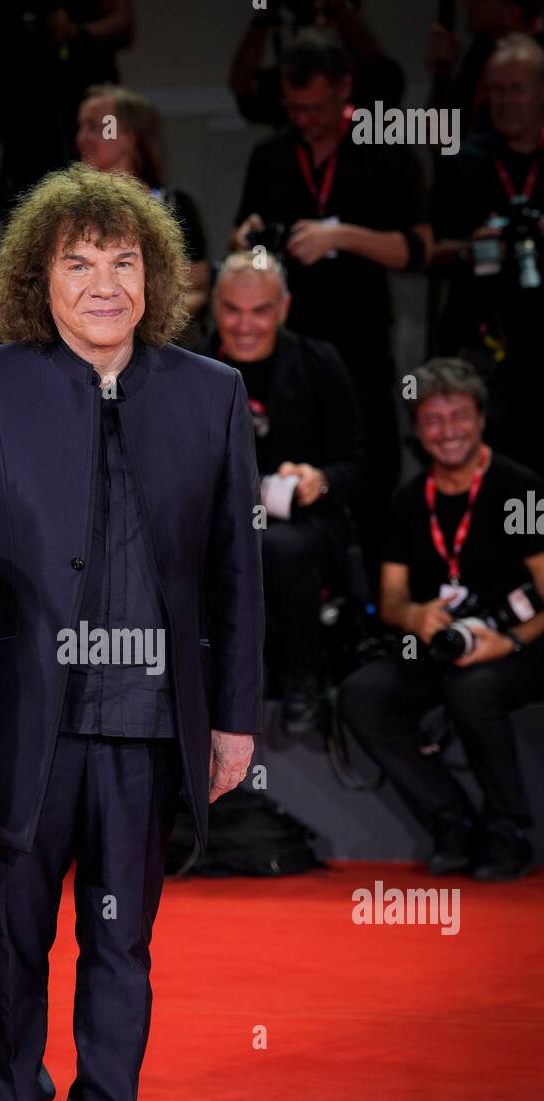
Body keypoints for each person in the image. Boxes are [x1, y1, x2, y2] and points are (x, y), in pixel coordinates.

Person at [0, 164, 264, 1101]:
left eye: (123, 259)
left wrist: (232, 718)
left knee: (120, 948)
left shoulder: (208, 395)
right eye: (77, 260)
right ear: (35, 277)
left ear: (153, 275)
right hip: (20, 725)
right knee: (9, 948)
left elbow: (235, 573)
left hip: (148, 724)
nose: (104, 282)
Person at [230, 28, 431, 590]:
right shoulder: (272, 153)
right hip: (287, 347)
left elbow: (418, 248)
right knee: (285, 469)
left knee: (366, 465)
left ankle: (369, 602)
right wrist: (249, 238)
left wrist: (341, 236)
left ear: (347, 88)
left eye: (317, 107)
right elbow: (240, 234)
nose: (306, 119)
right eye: (295, 108)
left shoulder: (383, 148)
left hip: (359, 335)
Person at [338, 359, 544, 882]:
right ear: (417, 429)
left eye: (458, 416)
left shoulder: (521, 488)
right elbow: (389, 600)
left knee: (473, 688)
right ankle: (450, 819)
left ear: (480, 419)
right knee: (364, 694)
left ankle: (508, 828)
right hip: (438, 646)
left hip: (522, 645)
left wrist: (511, 643)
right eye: (433, 419)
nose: (447, 430)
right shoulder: (409, 501)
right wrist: (415, 615)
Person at [205, 252, 362, 734]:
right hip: (214, 516)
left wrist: (320, 478)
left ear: (285, 308)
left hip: (302, 524)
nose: (245, 325)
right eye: (232, 309)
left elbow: (358, 465)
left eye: (261, 311)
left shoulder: (319, 363)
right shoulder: (189, 363)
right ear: (214, 305)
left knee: (277, 546)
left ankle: (303, 678)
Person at [430, 34, 544, 474]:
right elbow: (428, 252)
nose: (506, 101)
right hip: (482, 340)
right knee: (487, 464)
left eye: (517, 89)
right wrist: (468, 249)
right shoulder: (465, 160)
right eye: (496, 89)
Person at [0, 0, 135, 210]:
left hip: (85, 87)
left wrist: (76, 31)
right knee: (30, 198)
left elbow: (123, 24)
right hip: (23, 99)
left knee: (95, 194)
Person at [76, 84, 210, 328]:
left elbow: (197, 290)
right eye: (81, 128)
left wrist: (136, 324)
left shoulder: (175, 207)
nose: (82, 138)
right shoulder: (68, 212)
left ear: (130, 136)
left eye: (96, 127)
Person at [230, 0, 404, 129]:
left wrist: (339, 10)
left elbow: (380, 73)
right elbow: (243, 86)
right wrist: (265, 12)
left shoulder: (366, 83)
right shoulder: (290, 83)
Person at [427, 0, 544, 137]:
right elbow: (441, 136)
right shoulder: (482, 49)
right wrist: (441, 73)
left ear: (512, 10)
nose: (467, 3)